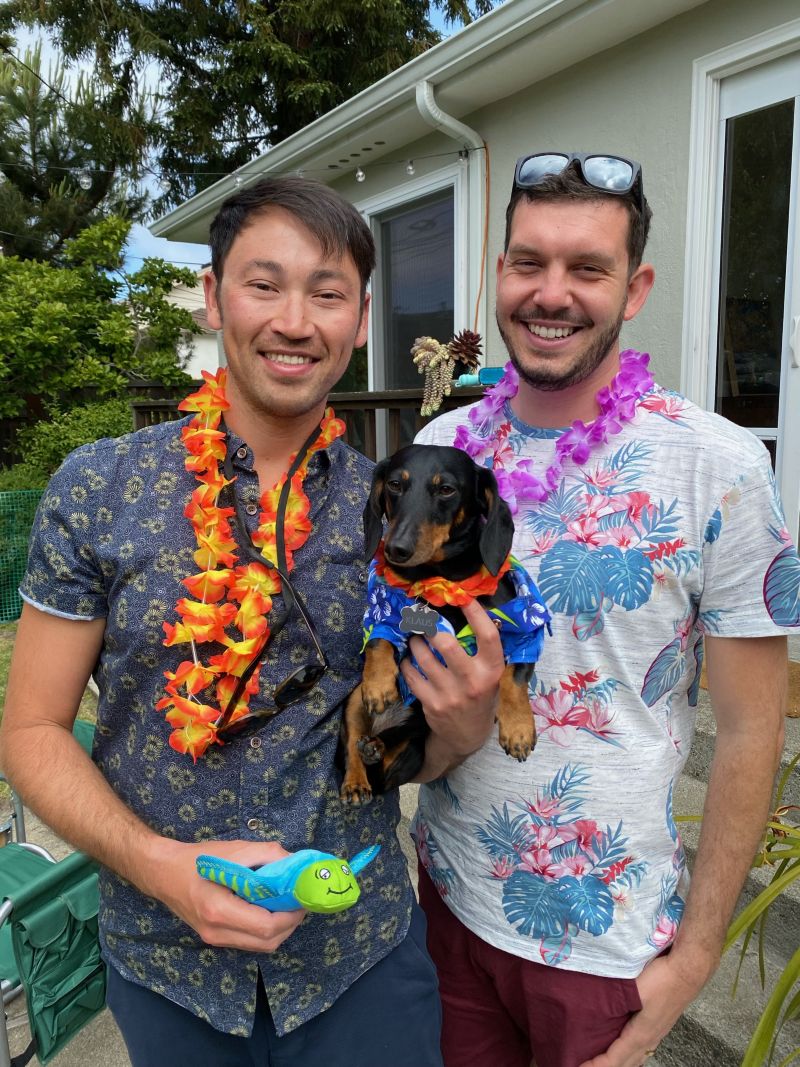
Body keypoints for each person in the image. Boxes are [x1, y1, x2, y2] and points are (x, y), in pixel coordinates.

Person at [0, 176, 504, 1067]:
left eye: (327, 293)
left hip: (361, 962)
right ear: (213, 294)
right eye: (264, 284)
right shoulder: (99, 488)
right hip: (167, 969)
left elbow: (406, 743)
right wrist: (159, 867)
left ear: (361, 317)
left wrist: (460, 733)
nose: (295, 321)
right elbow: (32, 730)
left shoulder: (395, 513)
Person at [411, 152, 799, 1067]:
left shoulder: (722, 465)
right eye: (529, 262)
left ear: (636, 288)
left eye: (587, 267)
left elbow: (752, 730)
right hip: (448, 907)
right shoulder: (442, 449)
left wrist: (693, 961)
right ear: (499, 274)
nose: (552, 293)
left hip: (605, 945)